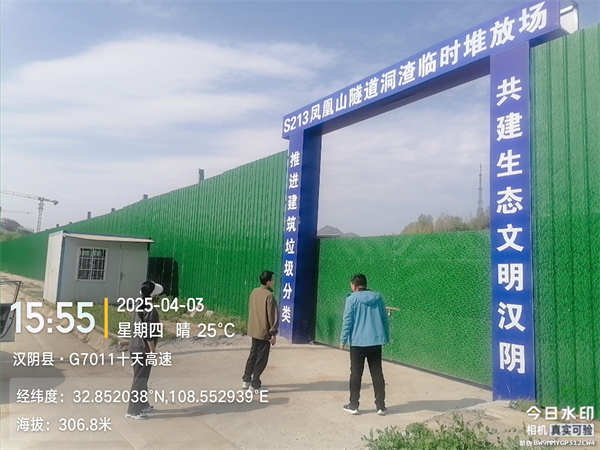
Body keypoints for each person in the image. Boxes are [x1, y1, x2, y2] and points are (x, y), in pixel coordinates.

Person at [340, 274, 389, 416]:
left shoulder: (351, 299)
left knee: (356, 374)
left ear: (354, 286)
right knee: (377, 373)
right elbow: (384, 318)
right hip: (375, 341)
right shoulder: (378, 298)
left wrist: (343, 339)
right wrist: (385, 336)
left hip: (358, 343)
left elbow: (347, 320)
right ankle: (381, 406)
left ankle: (353, 405)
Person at [126, 280, 163, 420]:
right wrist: (153, 351)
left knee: (142, 378)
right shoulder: (149, 310)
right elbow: (149, 332)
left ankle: (142, 404)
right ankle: (133, 410)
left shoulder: (138, 305)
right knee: (140, 380)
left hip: (135, 346)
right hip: (143, 349)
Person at [242, 270, 279, 391]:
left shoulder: (254, 292)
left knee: (253, 355)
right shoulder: (269, 296)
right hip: (264, 332)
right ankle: (255, 384)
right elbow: (272, 316)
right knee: (261, 358)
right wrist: (273, 333)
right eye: (272, 279)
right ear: (268, 282)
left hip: (254, 329)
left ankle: (246, 380)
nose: (274, 281)